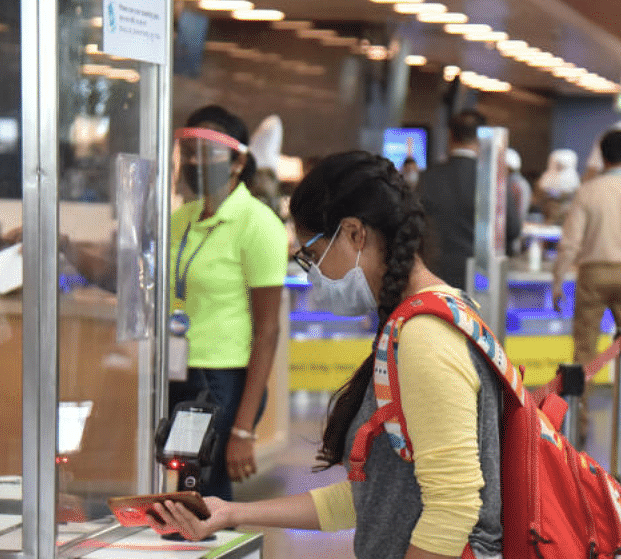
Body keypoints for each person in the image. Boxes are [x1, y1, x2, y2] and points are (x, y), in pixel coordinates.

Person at [154, 150, 506, 559]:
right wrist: (229, 511)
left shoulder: (426, 336)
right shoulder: (417, 322)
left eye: (314, 256)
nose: (315, 276)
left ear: (355, 234)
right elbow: (373, 495)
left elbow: (453, 507)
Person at [167, 105, 288, 501]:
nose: (194, 162)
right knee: (185, 493)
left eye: (206, 153)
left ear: (237, 162)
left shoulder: (258, 224)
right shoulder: (181, 218)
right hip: (178, 372)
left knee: (205, 496)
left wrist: (242, 429)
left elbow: (268, 330)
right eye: (188, 153)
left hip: (222, 381)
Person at [551, 129, 621, 445]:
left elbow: (570, 242)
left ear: (603, 155)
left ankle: (579, 421)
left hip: (593, 274)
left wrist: (558, 281)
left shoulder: (588, 191)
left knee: (584, 349)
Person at [416, 109, 519, 290]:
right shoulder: (492, 180)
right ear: (481, 139)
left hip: (435, 274)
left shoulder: (428, 178)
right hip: (481, 278)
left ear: (450, 136)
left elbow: (415, 225)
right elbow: (512, 227)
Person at [536, 148, 581, 226]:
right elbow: (538, 198)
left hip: (566, 221)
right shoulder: (546, 179)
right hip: (549, 220)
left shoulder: (574, 181)